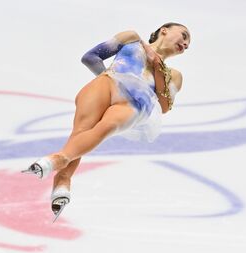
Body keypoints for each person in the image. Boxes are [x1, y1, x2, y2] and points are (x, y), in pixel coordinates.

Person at [22, 23, 191, 220]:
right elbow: (90, 57)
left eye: (188, 44)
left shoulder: (175, 76)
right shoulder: (131, 38)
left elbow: (163, 106)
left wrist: (157, 66)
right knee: (81, 131)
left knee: (106, 127)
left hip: (136, 101)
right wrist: (108, 78)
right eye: (184, 35)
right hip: (108, 82)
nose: (186, 44)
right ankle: (62, 182)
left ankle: (58, 159)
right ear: (164, 30)